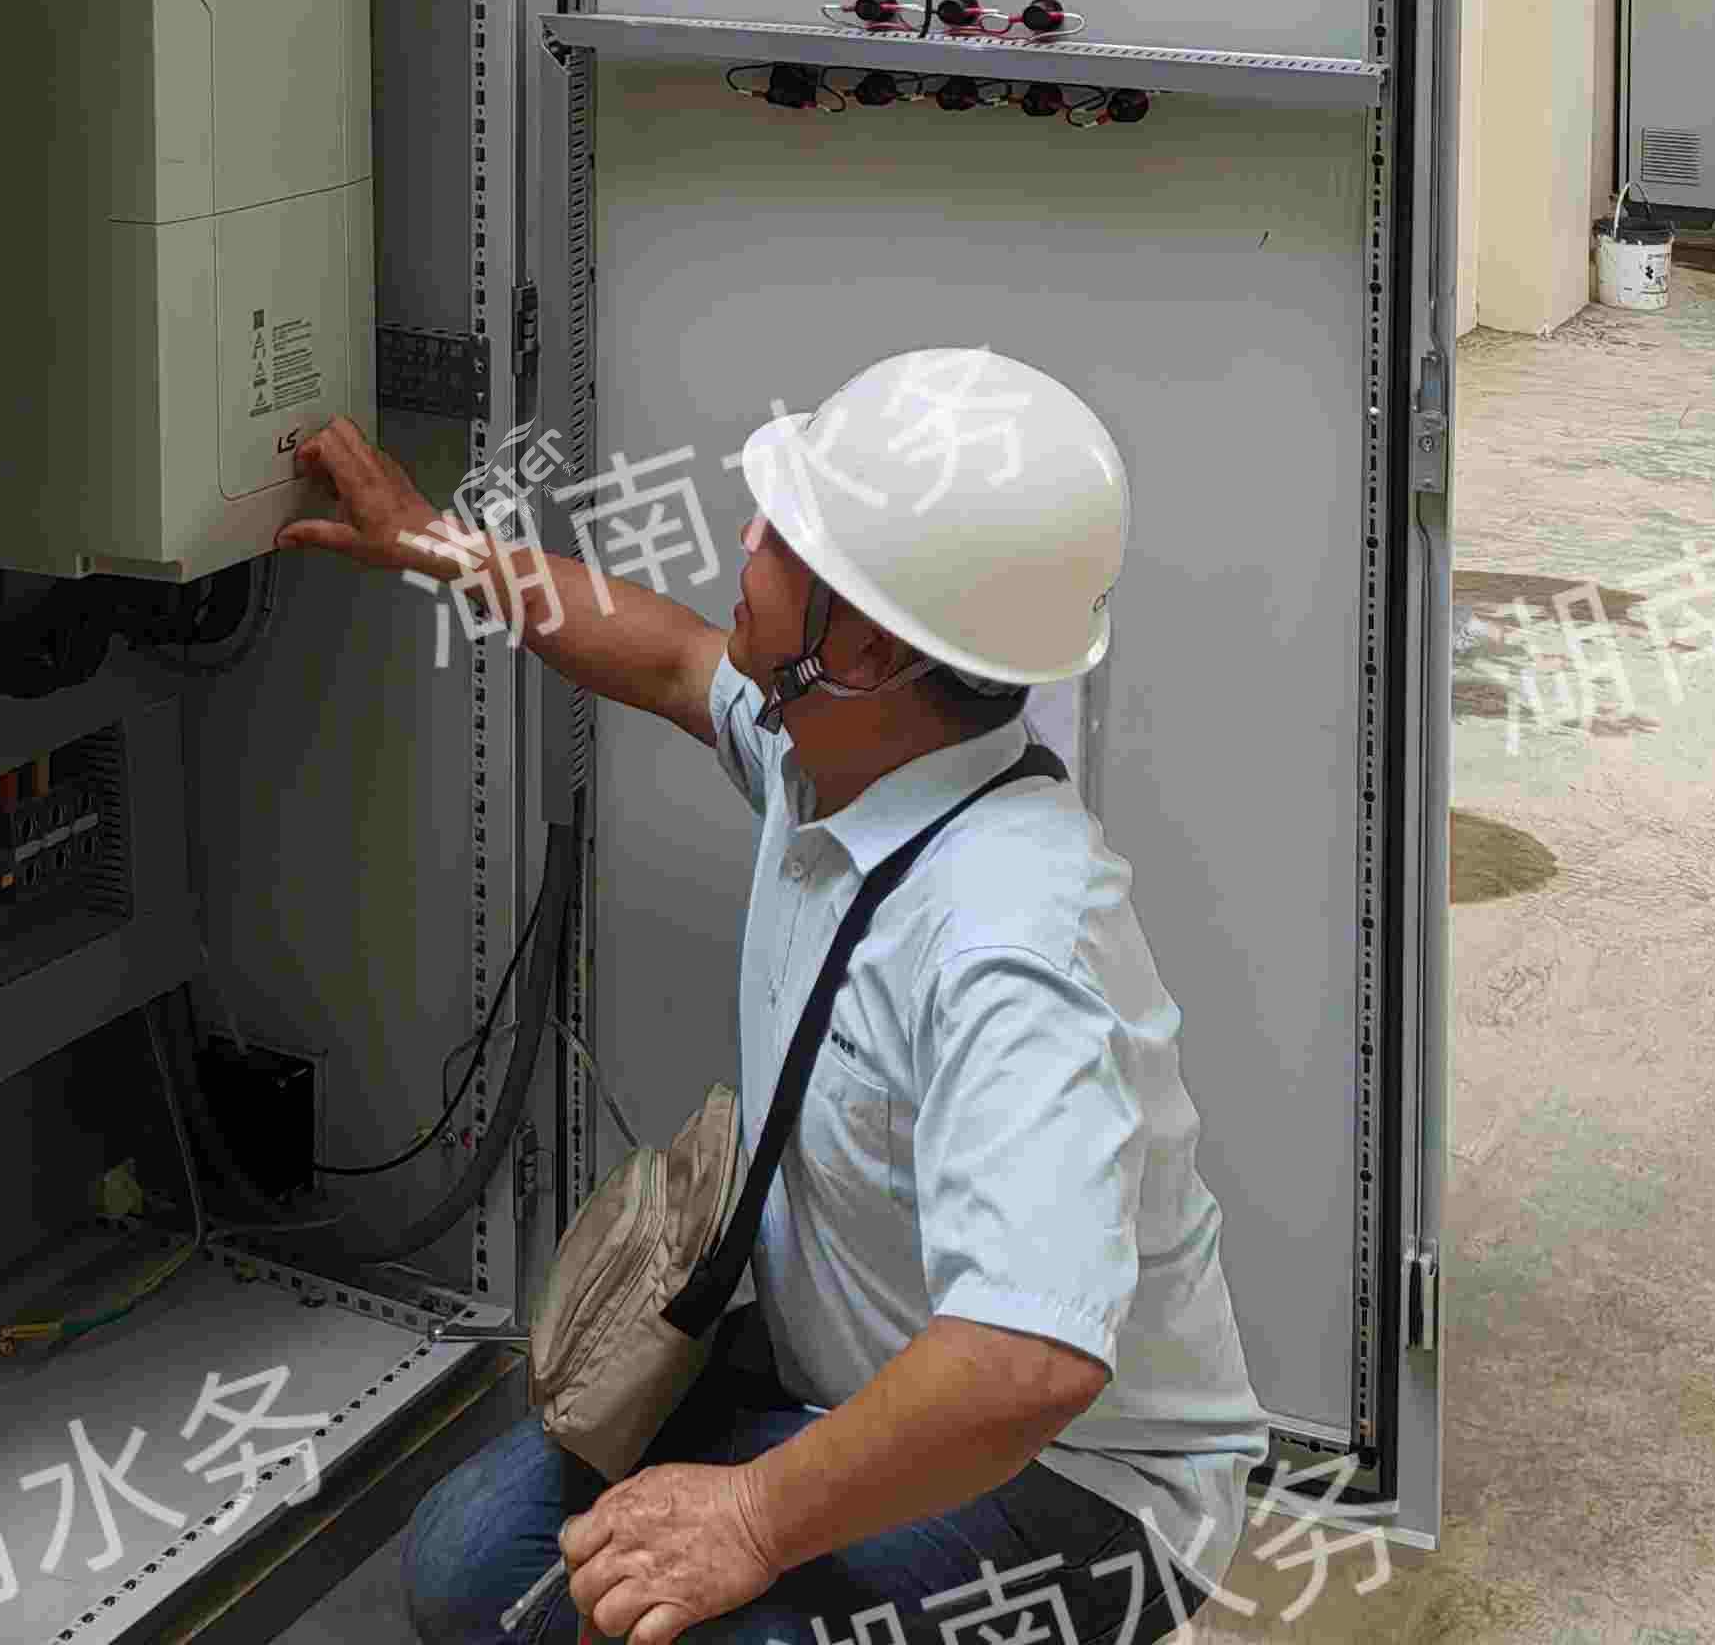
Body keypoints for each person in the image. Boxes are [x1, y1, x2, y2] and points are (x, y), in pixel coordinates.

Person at [275, 346, 1268, 1645]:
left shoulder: (1012, 939)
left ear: (863, 647)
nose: (746, 537)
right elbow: (669, 660)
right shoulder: (840, 751)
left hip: (1071, 1484)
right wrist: (432, 543)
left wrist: (746, 1520)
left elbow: (1028, 1363)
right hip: (848, 1380)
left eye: (789, 537)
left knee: (693, 1622)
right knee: (476, 1570)